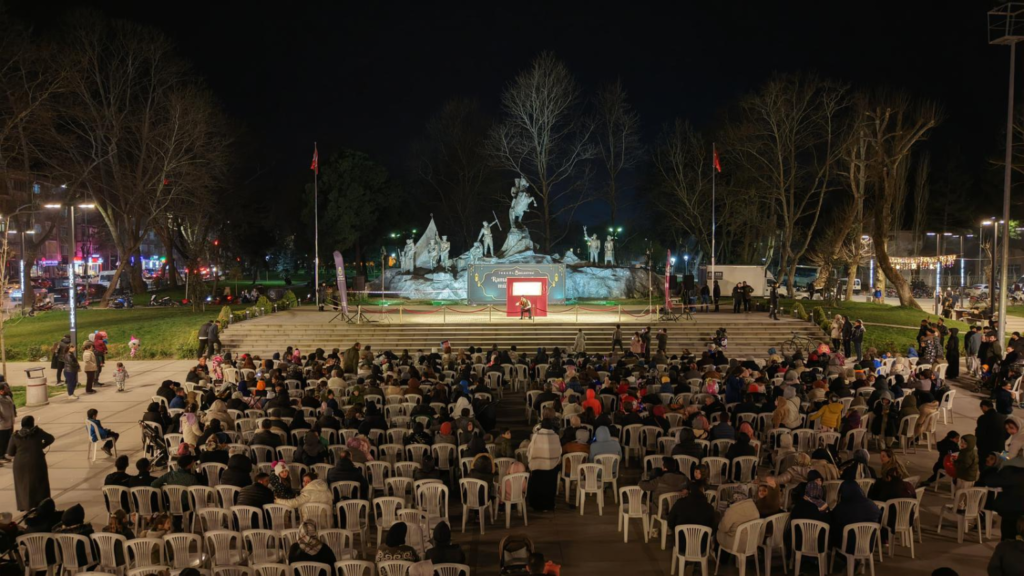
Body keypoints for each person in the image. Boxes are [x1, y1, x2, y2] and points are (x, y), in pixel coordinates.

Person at [7, 416, 54, 511]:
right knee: (40, 483)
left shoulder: (15, 436)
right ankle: (42, 504)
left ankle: (25, 505)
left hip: (20, 464)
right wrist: (41, 445)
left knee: (23, 485)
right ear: (32, 423)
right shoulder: (37, 432)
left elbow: (10, 452)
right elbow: (51, 438)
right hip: (37, 461)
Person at [830, 481, 880, 554]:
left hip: (848, 545)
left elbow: (833, 519)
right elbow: (878, 515)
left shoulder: (842, 507)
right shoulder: (871, 504)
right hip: (868, 543)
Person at [526, 423, 562, 511]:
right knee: (549, 486)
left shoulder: (536, 436)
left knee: (538, 485)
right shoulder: (555, 436)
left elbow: (530, 451)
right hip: (551, 468)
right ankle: (549, 505)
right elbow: (559, 452)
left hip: (537, 466)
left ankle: (537, 505)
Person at [0, 384, 15, 460]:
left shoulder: (8, 397)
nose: (8, 389)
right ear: (1, 390)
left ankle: (3, 455)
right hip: (2, 425)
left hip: (10, 423)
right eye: (6, 388)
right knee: (2, 442)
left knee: (7, 441)